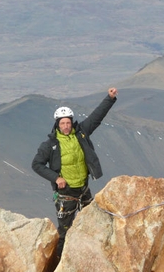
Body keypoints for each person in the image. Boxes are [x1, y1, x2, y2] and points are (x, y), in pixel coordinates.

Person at [32, 87, 118, 257]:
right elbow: (37, 164)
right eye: (62, 123)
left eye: (68, 122)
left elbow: (96, 116)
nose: (65, 126)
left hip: (83, 188)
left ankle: (93, 255)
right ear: (57, 124)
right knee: (64, 231)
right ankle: (58, 265)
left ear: (72, 122)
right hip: (66, 193)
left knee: (94, 221)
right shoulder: (50, 145)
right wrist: (56, 178)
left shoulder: (81, 133)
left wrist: (110, 98)